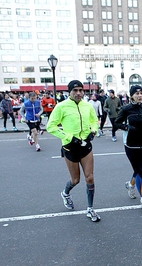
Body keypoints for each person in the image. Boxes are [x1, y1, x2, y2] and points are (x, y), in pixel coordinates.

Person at [47, 80, 101, 222]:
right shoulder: (61, 106)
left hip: (85, 145)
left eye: (80, 90)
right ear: (69, 92)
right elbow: (50, 127)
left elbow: (94, 121)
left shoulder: (87, 106)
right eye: (75, 90)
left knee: (89, 177)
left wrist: (93, 131)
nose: (78, 93)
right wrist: (69, 137)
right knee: (76, 180)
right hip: (70, 147)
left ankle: (90, 209)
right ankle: (65, 193)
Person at [114, 85, 142, 208]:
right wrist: (126, 127)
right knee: (139, 170)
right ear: (131, 96)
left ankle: (131, 185)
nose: (139, 96)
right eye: (136, 94)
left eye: (141, 93)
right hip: (131, 144)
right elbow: (117, 123)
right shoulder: (126, 109)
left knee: (140, 169)